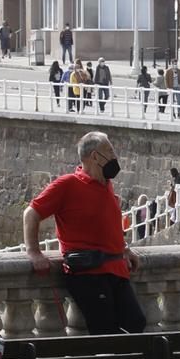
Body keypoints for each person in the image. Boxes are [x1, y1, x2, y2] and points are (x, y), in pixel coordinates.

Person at [22, 131, 145, 334]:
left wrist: (124, 249)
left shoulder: (107, 185)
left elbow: (106, 225)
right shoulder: (67, 184)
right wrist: (34, 252)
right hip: (89, 273)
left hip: (116, 269)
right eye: (110, 151)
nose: (115, 156)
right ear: (96, 156)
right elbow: (31, 214)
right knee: (106, 331)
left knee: (136, 322)